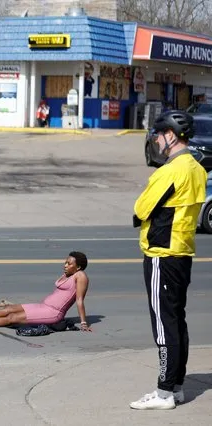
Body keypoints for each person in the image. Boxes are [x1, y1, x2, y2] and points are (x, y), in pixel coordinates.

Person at [129, 110, 207, 410]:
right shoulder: (197, 168)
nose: (157, 140)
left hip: (162, 254)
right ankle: (175, 387)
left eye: (159, 134)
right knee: (177, 322)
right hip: (182, 252)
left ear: (171, 135)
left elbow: (141, 209)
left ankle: (163, 392)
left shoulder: (169, 171)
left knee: (164, 325)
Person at [0, 252, 91, 331]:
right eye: (65, 262)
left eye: (69, 263)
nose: (65, 265)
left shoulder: (80, 276)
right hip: (43, 306)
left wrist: (83, 323)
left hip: (53, 313)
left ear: (78, 267)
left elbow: (79, 300)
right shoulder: (68, 274)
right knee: (9, 309)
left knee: (12, 319)